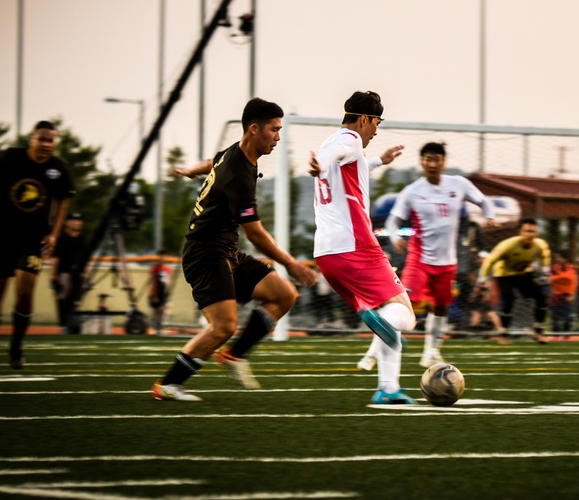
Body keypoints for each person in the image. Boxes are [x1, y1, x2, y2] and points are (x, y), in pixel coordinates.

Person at [151, 98, 316, 401]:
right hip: (206, 253)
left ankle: (234, 356)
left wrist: (191, 170)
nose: (278, 137)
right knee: (224, 325)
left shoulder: (235, 153)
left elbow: (213, 161)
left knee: (284, 295)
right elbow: (255, 233)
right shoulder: (239, 175)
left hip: (226, 251)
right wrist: (291, 263)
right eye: (274, 130)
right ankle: (168, 384)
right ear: (254, 129)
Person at [309, 90, 418, 405]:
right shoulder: (350, 140)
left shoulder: (330, 143)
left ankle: (388, 388)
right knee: (404, 315)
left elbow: (344, 165)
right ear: (365, 119)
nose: (376, 130)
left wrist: (379, 161)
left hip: (327, 253)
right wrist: (321, 164)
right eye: (376, 123)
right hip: (355, 244)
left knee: (389, 312)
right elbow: (344, 152)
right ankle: (385, 340)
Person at [358, 141, 497, 370]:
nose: (432, 164)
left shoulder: (459, 184)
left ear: (444, 162)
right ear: (421, 162)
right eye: (427, 159)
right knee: (403, 305)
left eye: (437, 159)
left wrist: (489, 215)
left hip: (447, 263)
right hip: (419, 260)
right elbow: (393, 220)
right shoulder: (413, 191)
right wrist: (394, 238)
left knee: (440, 307)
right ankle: (372, 354)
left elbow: (482, 200)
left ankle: (431, 352)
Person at [0, 120, 74, 370]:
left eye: (51, 140)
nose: (46, 144)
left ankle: (16, 348)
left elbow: (62, 203)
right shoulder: (9, 159)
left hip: (32, 239)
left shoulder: (59, 169)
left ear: (55, 142)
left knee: (24, 292)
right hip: (4, 236)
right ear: (32, 139)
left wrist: (54, 234)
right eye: (42, 139)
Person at [477, 217, 552, 343]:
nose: (530, 235)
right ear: (520, 232)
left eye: (533, 231)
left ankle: (539, 332)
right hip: (504, 274)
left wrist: (545, 273)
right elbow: (489, 260)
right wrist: (482, 281)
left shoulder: (540, 245)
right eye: (527, 231)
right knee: (508, 300)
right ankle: (503, 334)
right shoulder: (508, 245)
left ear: (537, 233)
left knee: (541, 296)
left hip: (523, 273)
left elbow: (545, 257)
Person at [49, 212, 88, 334]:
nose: (76, 223)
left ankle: (72, 324)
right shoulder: (62, 238)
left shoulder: (83, 239)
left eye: (78, 220)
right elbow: (56, 258)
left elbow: (86, 258)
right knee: (63, 298)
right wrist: (53, 274)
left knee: (75, 300)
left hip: (78, 273)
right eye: (73, 220)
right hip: (64, 272)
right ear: (68, 222)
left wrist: (86, 273)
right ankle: (63, 324)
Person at [549, 251, 578, 335]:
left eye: (559, 257)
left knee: (568, 316)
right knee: (555, 317)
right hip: (556, 294)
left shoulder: (572, 269)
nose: (557, 259)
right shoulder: (554, 268)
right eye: (556, 257)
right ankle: (556, 334)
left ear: (565, 259)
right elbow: (550, 279)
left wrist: (573, 294)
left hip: (568, 295)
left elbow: (574, 282)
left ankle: (566, 334)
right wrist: (564, 276)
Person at [147, 249, 171, 334]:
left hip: (163, 292)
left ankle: (160, 326)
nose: (163, 258)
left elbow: (167, 281)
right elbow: (153, 281)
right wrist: (154, 295)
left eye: (165, 256)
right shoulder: (155, 268)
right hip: (156, 291)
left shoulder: (167, 269)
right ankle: (155, 327)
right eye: (161, 256)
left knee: (164, 309)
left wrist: (166, 292)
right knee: (156, 310)